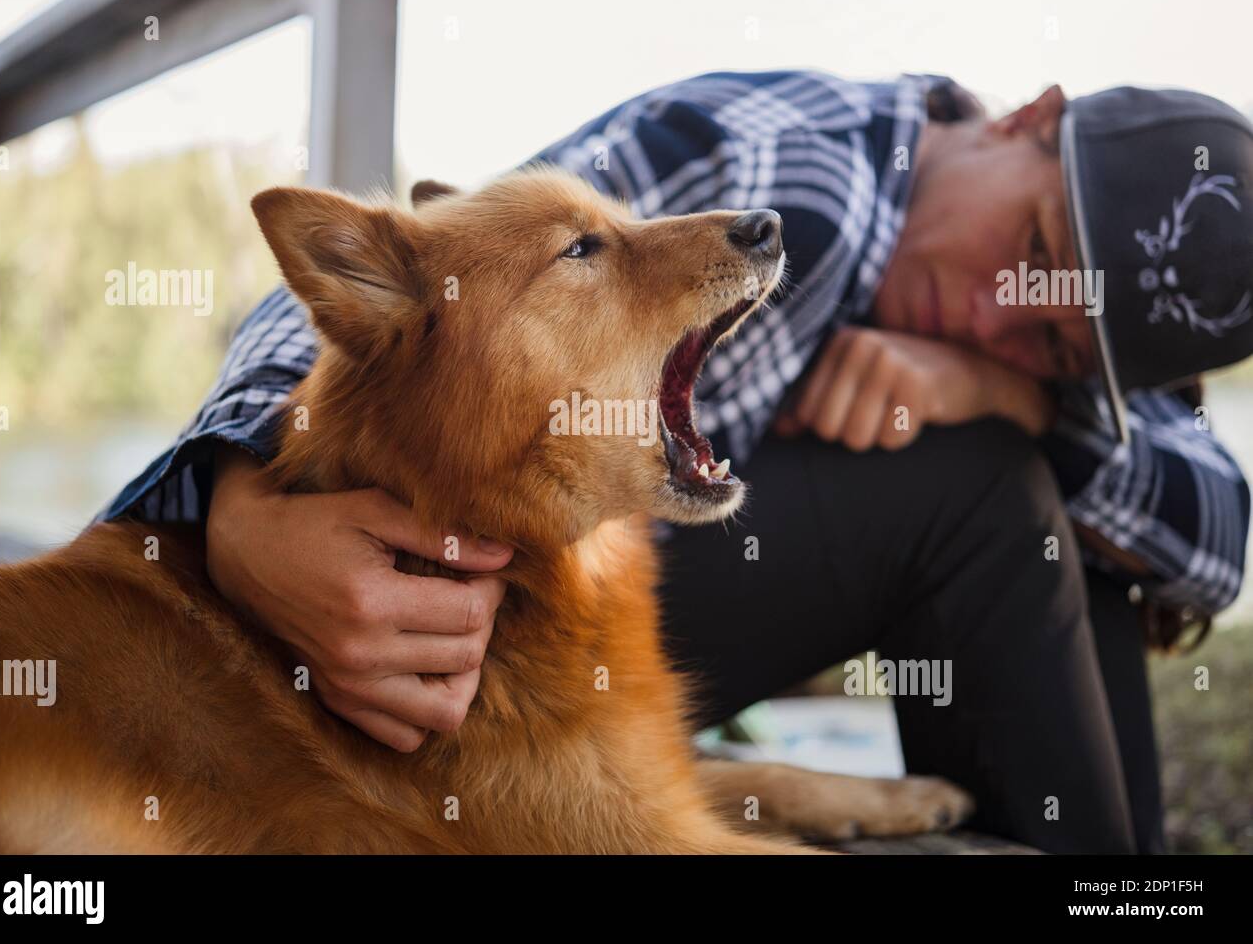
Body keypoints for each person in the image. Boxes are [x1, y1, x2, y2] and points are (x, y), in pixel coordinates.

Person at [102, 71, 1253, 853]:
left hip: (655, 598)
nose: (1008, 310)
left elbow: (1214, 536)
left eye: (1057, 336)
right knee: (990, 483)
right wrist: (237, 509)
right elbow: (417, 274)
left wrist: (1002, 388)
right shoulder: (774, 152)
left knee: (1066, 502)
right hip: (483, 601)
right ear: (1025, 119)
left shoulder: (1012, 348)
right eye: (1033, 248)